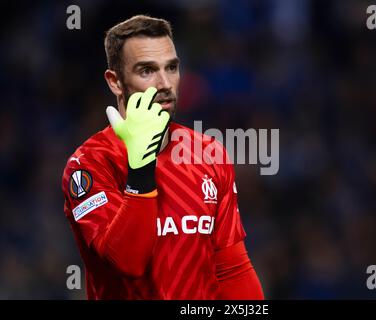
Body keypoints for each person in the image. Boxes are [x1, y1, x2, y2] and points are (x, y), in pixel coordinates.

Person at [61, 14, 264, 300]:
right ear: (115, 82)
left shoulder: (209, 153)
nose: (165, 83)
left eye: (172, 67)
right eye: (147, 71)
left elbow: (232, 269)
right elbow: (127, 262)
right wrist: (141, 165)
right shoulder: (88, 166)